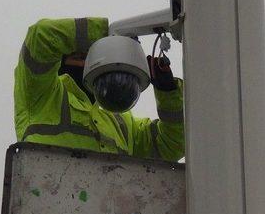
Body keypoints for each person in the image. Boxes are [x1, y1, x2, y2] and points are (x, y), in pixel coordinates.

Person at [14, 17, 184, 161]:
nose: (86, 64)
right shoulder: (42, 96)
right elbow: (41, 37)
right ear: (60, 63)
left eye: (90, 58)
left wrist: (167, 91)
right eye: (80, 57)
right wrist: (109, 35)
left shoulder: (120, 123)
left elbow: (171, 145)